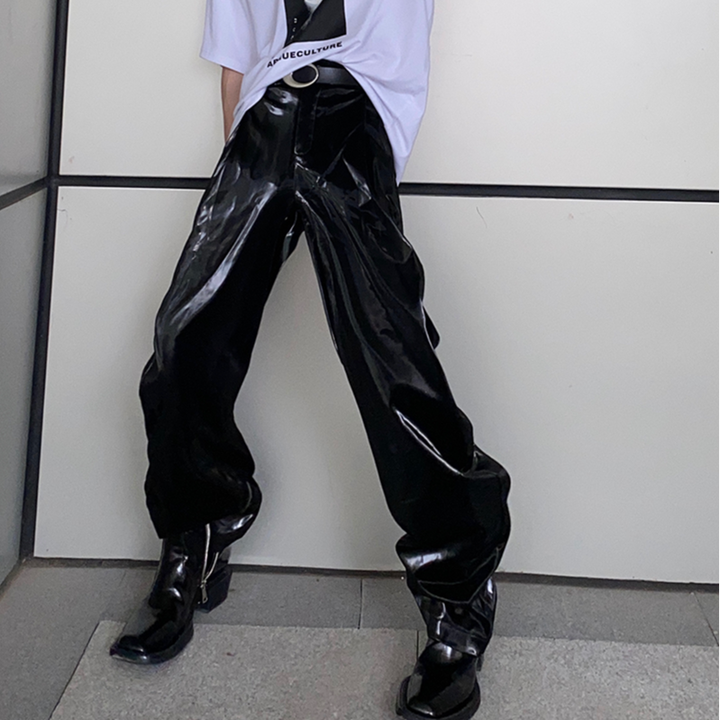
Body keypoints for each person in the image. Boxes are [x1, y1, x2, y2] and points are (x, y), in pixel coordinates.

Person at [110, 1, 511, 718]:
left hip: (356, 123)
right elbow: (236, 63)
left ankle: (459, 600)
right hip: (263, 126)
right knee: (185, 336)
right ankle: (196, 542)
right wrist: (240, 170)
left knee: (393, 362)